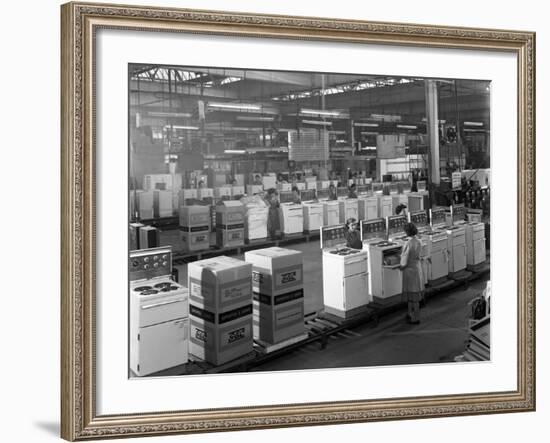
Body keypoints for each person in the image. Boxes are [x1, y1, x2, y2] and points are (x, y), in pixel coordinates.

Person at [399, 222, 425, 324]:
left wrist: (400, 267)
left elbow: (404, 260)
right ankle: (409, 313)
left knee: (413, 298)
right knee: (413, 295)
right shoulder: (418, 241)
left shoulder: (408, 243)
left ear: (406, 232)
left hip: (410, 271)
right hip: (417, 268)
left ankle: (416, 318)